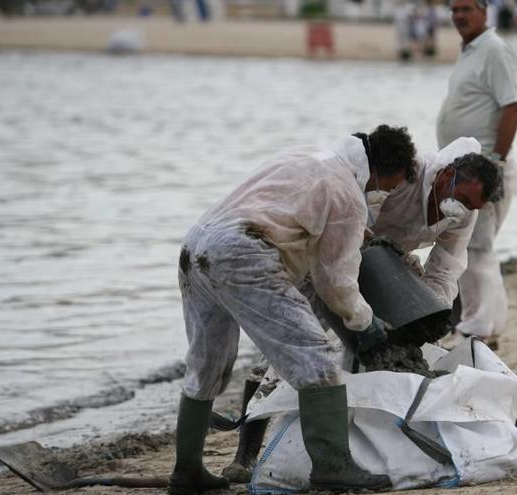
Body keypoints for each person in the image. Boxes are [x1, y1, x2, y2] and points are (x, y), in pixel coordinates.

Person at [169, 125, 417, 494]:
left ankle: (186, 472)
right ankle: (333, 466)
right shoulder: (348, 195)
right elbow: (336, 282)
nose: (387, 192)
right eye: (391, 185)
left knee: (206, 364)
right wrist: (364, 324)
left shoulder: (305, 155)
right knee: (315, 359)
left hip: (197, 246)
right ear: (383, 168)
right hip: (245, 254)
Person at [437, 0, 517, 350]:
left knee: (476, 249)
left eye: (466, 8)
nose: (459, 16)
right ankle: (489, 325)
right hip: (468, 173)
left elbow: (512, 109)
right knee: (477, 249)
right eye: (454, 9)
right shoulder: (471, 50)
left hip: (483, 175)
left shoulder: (495, 50)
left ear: (485, 12)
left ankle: (475, 331)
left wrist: (495, 167)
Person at [371, 137, 505, 308]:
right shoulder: (408, 175)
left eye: (471, 206)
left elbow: (445, 269)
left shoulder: (465, 215)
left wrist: (433, 308)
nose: (462, 209)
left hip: (392, 258)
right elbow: (357, 211)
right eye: (462, 199)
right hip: (352, 241)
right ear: (447, 174)